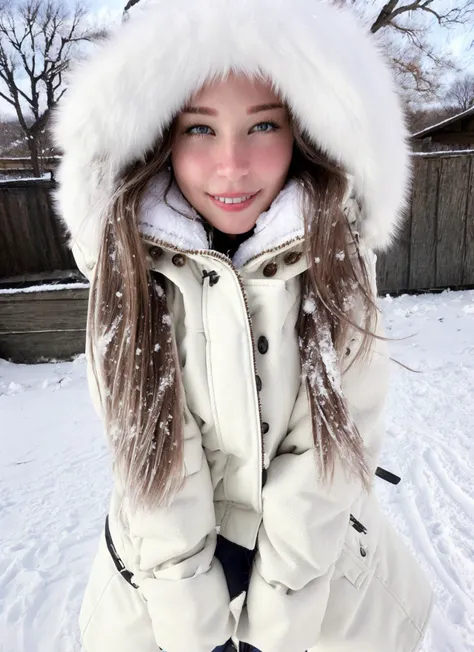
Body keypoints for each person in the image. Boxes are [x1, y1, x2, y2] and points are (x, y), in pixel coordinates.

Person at [51, 0, 434, 651]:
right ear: (157, 135)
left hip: (324, 590)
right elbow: (150, 464)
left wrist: (276, 626)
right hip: (157, 594)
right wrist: (191, 624)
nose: (231, 164)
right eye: (200, 129)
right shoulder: (126, 269)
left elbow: (330, 457)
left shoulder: (337, 255)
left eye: (262, 125)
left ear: (306, 129)